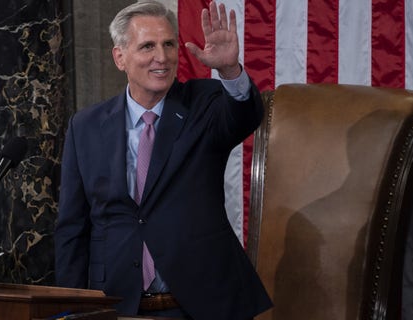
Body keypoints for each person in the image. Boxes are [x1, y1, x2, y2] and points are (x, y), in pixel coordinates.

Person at [55, 1, 272, 319]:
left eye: (168, 44)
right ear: (120, 57)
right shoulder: (85, 126)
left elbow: (244, 115)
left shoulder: (204, 102)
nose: (162, 57)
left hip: (202, 304)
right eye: (147, 46)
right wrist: (69, 308)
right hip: (116, 304)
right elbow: (72, 226)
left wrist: (229, 70)